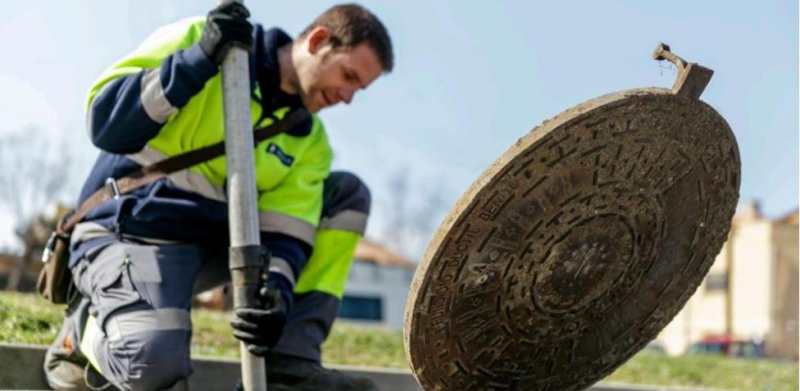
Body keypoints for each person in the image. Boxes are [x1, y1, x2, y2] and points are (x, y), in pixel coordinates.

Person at [43, 3, 393, 390]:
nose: (347, 97)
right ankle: (80, 334)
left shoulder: (309, 143)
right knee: (151, 364)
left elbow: (286, 236)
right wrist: (197, 61)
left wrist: (275, 294)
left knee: (345, 195)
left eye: (359, 89)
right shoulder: (201, 40)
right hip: (126, 231)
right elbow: (106, 123)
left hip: (209, 249)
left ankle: (287, 364)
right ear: (318, 40)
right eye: (348, 76)